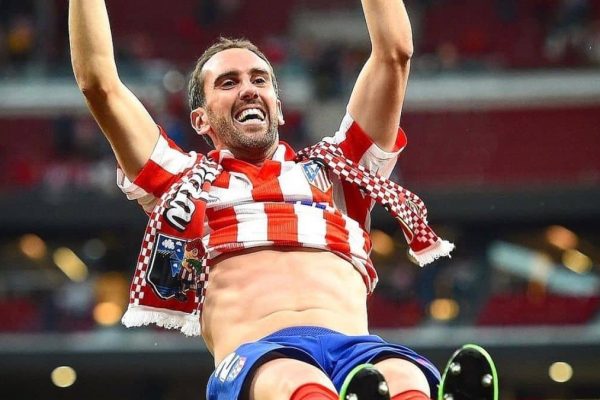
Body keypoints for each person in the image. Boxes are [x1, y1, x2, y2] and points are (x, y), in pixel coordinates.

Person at [69, 1, 495, 399]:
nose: (249, 89)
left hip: (357, 352)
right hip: (261, 357)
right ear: (200, 119)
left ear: (279, 105)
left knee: (403, 376)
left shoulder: (340, 171)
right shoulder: (183, 182)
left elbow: (395, 54)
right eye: (229, 82)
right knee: (295, 379)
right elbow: (99, 85)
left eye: (260, 79)